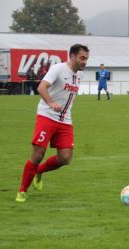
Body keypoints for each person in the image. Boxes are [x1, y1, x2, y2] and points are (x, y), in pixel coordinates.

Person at [15, 44, 90, 202]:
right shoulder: (58, 69)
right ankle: (22, 190)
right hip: (46, 116)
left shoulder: (80, 74)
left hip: (65, 120)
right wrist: (50, 103)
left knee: (65, 158)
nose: (85, 62)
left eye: (86, 58)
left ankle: (39, 172)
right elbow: (41, 87)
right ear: (72, 56)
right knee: (38, 155)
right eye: (82, 58)